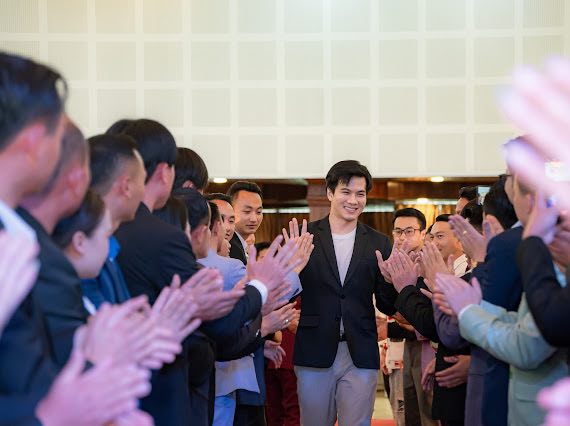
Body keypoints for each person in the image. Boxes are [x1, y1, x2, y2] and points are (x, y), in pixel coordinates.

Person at [294, 160, 393, 426]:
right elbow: (286, 294)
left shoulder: (379, 242)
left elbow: (387, 303)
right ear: (330, 193)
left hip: (359, 351)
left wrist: (394, 281)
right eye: (345, 192)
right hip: (314, 349)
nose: (353, 200)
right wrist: (291, 271)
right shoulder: (306, 237)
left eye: (360, 194)